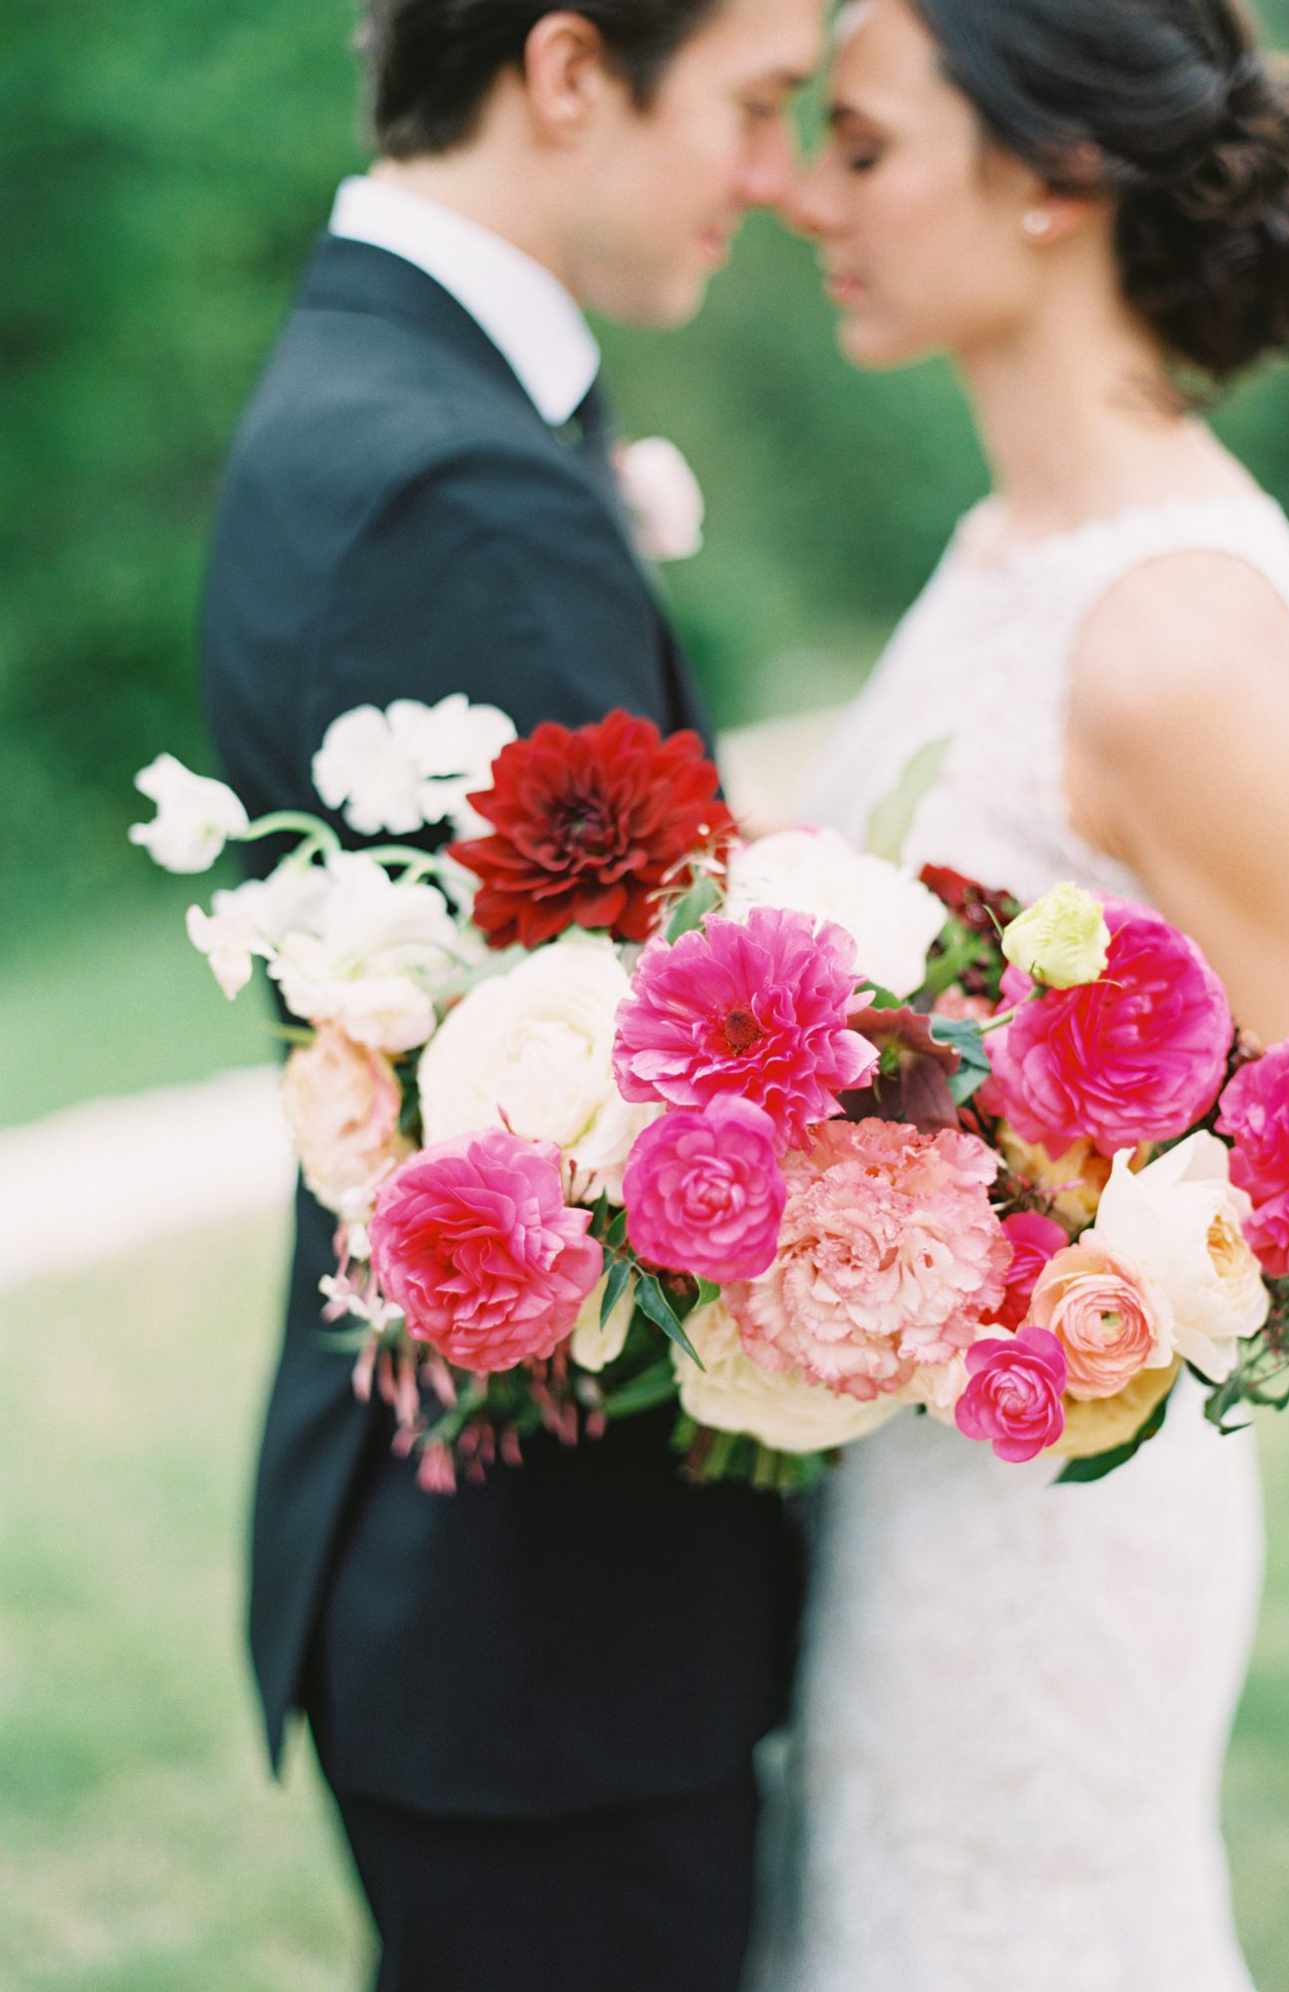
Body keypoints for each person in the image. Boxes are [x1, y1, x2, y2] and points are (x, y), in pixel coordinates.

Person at [769, 0, 1289, 1985]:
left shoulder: (1174, 640)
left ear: (1053, 173)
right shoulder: (1005, 548)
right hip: (901, 1492)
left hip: (1053, 1528)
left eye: (864, 147)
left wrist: (973, 1241)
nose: (807, 198)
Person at [200, 3, 823, 1987]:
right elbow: (603, 1080)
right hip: (543, 1626)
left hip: (507, 1621)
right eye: (750, 103)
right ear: (568, 71)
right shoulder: (448, 484)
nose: (775, 174)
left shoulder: (422, 407)